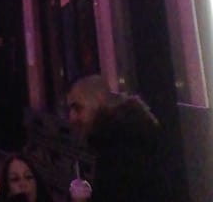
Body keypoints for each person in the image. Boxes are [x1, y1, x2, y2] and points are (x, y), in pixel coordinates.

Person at [66, 74, 172, 202]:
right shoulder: (122, 137)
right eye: (69, 109)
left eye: (78, 108)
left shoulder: (119, 148)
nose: (71, 117)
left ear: (99, 101)